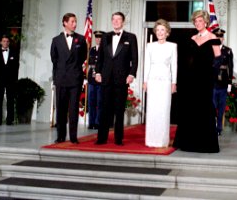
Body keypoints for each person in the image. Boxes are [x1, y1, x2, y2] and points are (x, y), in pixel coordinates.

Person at [173, 10, 221, 153]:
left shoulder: (213, 37)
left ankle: (205, 144)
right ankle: (189, 143)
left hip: (206, 79)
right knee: (191, 108)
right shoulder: (192, 38)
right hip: (191, 79)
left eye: (200, 21)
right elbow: (186, 59)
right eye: (196, 21)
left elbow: (218, 59)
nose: (198, 23)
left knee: (204, 108)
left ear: (206, 22)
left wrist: (212, 75)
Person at [94, 12, 138, 146]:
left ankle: (118, 139)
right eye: (114, 19)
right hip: (106, 78)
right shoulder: (105, 36)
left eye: (119, 19)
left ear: (123, 22)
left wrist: (131, 74)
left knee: (119, 110)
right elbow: (100, 58)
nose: (116, 21)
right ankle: (102, 138)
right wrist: (97, 72)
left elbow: (134, 58)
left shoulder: (130, 37)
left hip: (122, 79)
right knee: (104, 109)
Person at [50, 13, 87, 144]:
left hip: (75, 79)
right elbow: (54, 59)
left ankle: (73, 136)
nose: (75, 24)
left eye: (75, 21)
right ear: (65, 23)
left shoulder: (81, 40)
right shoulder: (56, 40)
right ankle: (60, 136)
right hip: (61, 79)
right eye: (72, 22)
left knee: (73, 109)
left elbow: (83, 57)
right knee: (60, 108)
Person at [143, 19, 177, 148]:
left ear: (167, 32)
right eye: (158, 30)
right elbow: (147, 65)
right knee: (152, 110)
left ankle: (162, 140)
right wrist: (145, 81)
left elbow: (174, 65)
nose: (160, 32)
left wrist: (174, 82)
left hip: (165, 82)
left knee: (163, 110)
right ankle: (151, 140)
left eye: (162, 30)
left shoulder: (172, 46)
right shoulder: (150, 46)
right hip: (152, 81)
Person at [0, 35, 20, 126]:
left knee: (10, 99)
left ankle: (10, 120)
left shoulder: (14, 53)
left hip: (11, 80)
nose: (6, 43)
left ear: (9, 43)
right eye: (4, 41)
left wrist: (14, 78)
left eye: (7, 41)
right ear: (1, 42)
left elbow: (16, 67)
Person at [211, 28, 234, 136]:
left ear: (223, 38)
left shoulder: (228, 50)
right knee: (212, 105)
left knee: (221, 107)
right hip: (213, 81)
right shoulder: (210, 49)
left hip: (223, 82)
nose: (219, 38)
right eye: (217, 36)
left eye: (221, 36)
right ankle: (211, 126)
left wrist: (229, 82)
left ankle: (219, 128)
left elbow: (230, 66)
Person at [87, 30, 105, 130]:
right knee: (91, 102)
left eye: (100, 38)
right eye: (96, 38)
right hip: (91, 78)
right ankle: (91, 122)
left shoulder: (105, 50)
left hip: (100, 78)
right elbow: (89, 63)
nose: (98, 39)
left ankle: (98, 122)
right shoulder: (91, 49)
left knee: (99, 102)